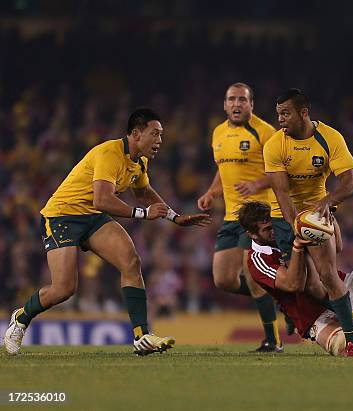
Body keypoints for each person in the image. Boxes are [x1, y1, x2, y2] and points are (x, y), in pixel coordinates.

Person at [4, 108, 211, 356]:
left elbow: (144, 192)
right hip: (63, 216)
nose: (159, 141)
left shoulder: (139, 161)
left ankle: (141, 336)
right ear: (136, 134)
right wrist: (143, 214)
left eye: (161, 135)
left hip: (91, 217)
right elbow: (103, 199)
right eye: (154, 134)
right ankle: (21, 317)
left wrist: (174, 217)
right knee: (64, 288)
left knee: (131, 261)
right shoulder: (109, 153)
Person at [237, 201, 353, 356]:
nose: (274, 231)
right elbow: (293, 284)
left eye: (273, 225)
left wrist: (328, 219)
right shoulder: (257, 260)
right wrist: (296, 247)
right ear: (252, 234)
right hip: (311, 315)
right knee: (344, 348)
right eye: (267, 230)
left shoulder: (292, 226)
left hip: (338, 286)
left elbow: (338, 246)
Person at [264, 89, 353, 355]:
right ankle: (351, 318)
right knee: (305, 285)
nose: (281, 119)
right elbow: (282, 194)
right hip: (284, 217)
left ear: (303, 112)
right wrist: (297, 226)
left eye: (286, 113)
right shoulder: (274, 145)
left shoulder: (330, 138)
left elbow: (350, 181)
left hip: (319, 213)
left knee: (328, 274)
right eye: (278, 114)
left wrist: (328, 201)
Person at [197, 83, 292, 353]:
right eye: (231, 99)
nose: (236, 104)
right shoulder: (218, 133)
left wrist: (257, 185)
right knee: (223, 279)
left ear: (251, 104)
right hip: (231, 216)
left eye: (242, 99)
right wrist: (211, 192)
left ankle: (273, 341)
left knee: (253, 277)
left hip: (259, 216)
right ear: (224, 105)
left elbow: (282, 170)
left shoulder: (266, 132)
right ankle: (278, 298)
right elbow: (223, 169)